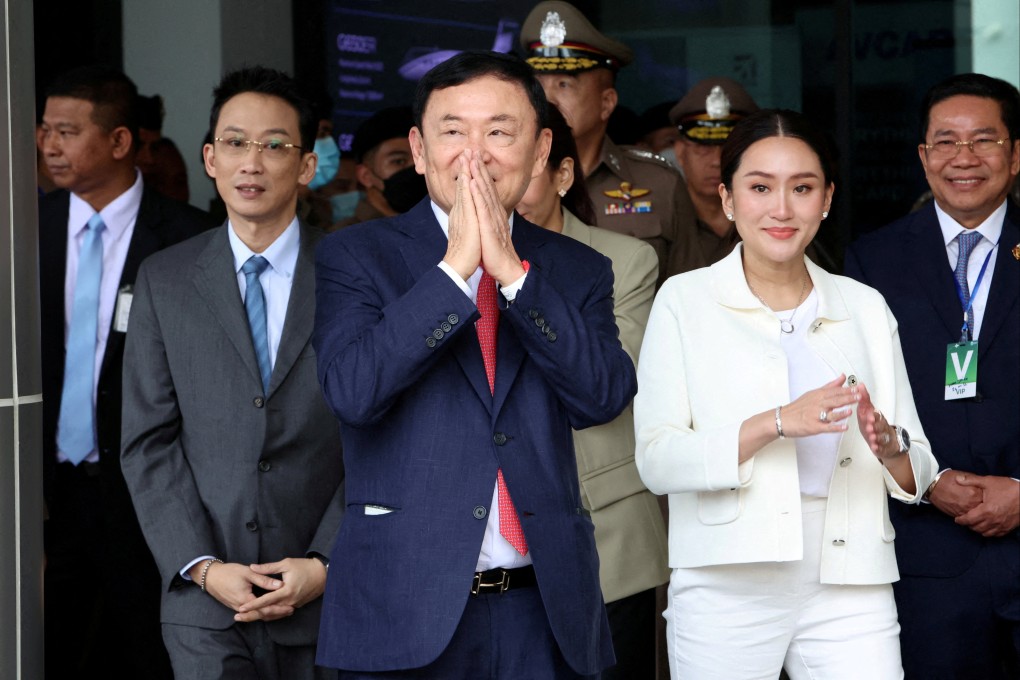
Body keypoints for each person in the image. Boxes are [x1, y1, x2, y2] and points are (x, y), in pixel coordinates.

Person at [313, 50, 634, 679]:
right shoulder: (355, 256)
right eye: (453, 131)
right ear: (419, 148)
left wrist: (514, 276)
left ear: (541, 151)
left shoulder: (576, 269)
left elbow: (602, 396)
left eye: (499, 132)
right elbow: (352, 392)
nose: (475, 153)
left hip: (544, 611)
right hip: (402, 607)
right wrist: (455, 272)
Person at [634, 109, 938, 679]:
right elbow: (656, 460)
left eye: (802, 188)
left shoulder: (864, 306)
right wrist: (776, 421)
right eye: (760, 187)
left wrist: (890, 446)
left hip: (852, 577)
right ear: (728, 199)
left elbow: (918, 468)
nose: (781, 208)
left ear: (826, 199)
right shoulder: (685, 301)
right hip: (727, 580)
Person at [120, 66, 345, 680]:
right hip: (205, 603)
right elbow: (148, 442)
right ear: (209, 158)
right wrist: (202, 566)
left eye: (275, 145)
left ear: (305, 166)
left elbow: (380, 433)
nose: (252, 161)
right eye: (235, 142)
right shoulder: (164, 280)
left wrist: (326, 560)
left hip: (330, 599)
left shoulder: (354, 275)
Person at [37, 64, 213, 679]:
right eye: (44, 129)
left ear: (118, 141)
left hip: (147, 490)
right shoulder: (24, 227)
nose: (49, 145)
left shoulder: (187, 237)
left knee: (144, 649)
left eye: (67, 131)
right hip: (50, 493)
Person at [844, 73, 1020, 680]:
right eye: (945, 142)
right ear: (922, 157)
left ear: (1016, 153)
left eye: (984, 141)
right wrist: (927, 479)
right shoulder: (874, 259)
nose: (963, 158)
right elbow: (860, 400)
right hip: (927, 557)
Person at [516, 104, 667, 679]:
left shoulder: (625, 260)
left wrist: (513, 277)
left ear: (562, 174)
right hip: (487, 534)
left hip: (604, 530)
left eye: (524, 165)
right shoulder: (449, 265)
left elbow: (603, 382)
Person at [520, 0, 699, 285]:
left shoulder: (659, 183)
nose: (546, 99)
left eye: (564, 85)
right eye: (538, 85)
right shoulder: (510, 179)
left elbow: (689, 292)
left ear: (606, 103)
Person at [669, 77, 759, 266]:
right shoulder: (665, 218)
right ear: (680, 153)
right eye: (703, 148)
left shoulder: (771, 219)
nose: (717, 162)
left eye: (728, 149)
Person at [334, 105, 414, 228]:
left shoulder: (442, 233)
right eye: (399, 161)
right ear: (365, 175)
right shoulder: (344, 241)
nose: (416, 170)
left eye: (423, 159)